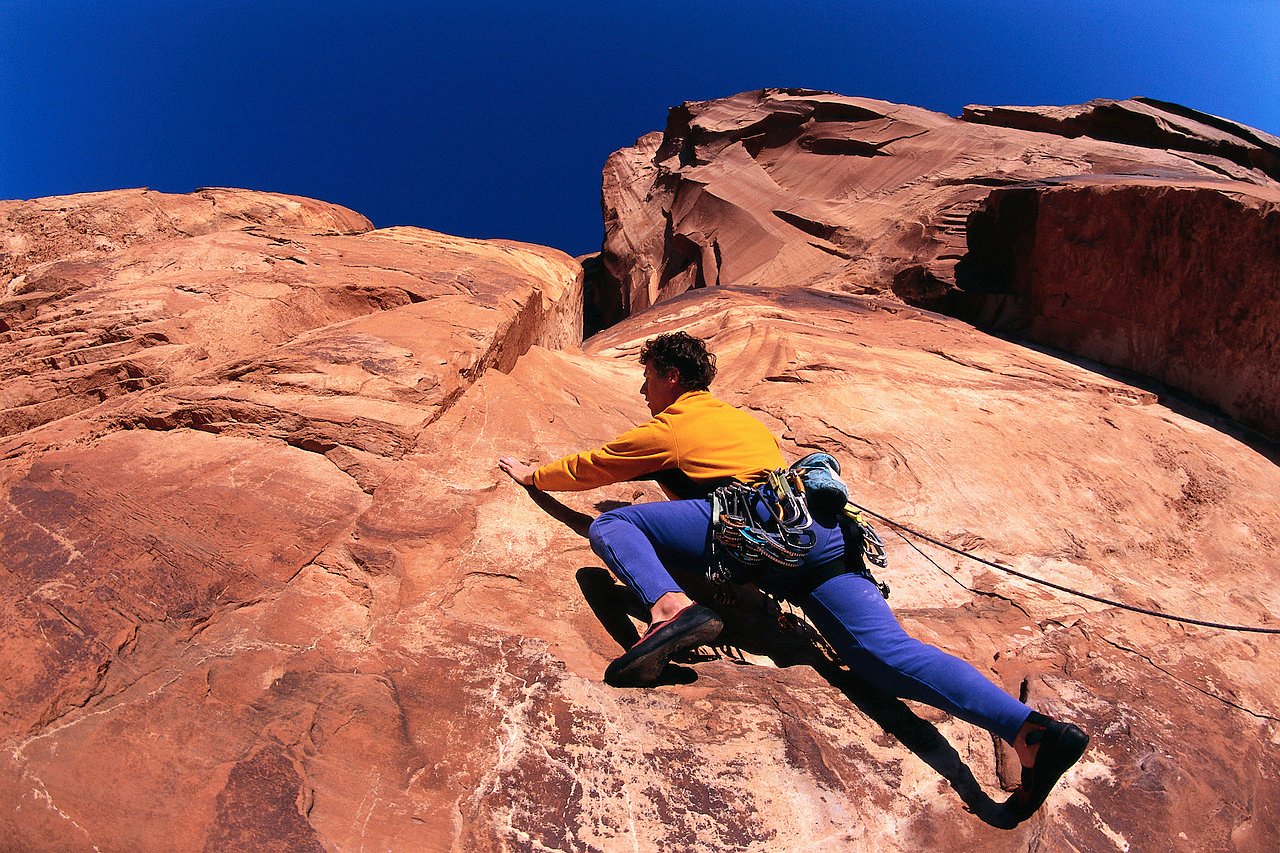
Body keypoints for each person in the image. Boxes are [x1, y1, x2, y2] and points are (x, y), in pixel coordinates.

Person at [498, 331, 1087, 818]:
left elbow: (596, 465)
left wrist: (535, 476)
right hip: (823, 539)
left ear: (672, 376)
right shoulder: (745, 423)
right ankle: (1030, 733)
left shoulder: (676, 421)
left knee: (617, 529)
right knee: (884, 653)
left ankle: (670, 611)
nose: (644, 390)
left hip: (753, 522)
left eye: (648, 377)